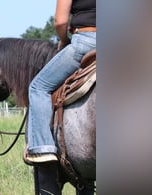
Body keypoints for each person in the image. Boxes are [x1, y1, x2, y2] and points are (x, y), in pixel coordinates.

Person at [24, 0, 96, 164]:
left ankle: (43, 147)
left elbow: (60, 21)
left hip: (87, 41)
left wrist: (64, 39)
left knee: (38, 87)